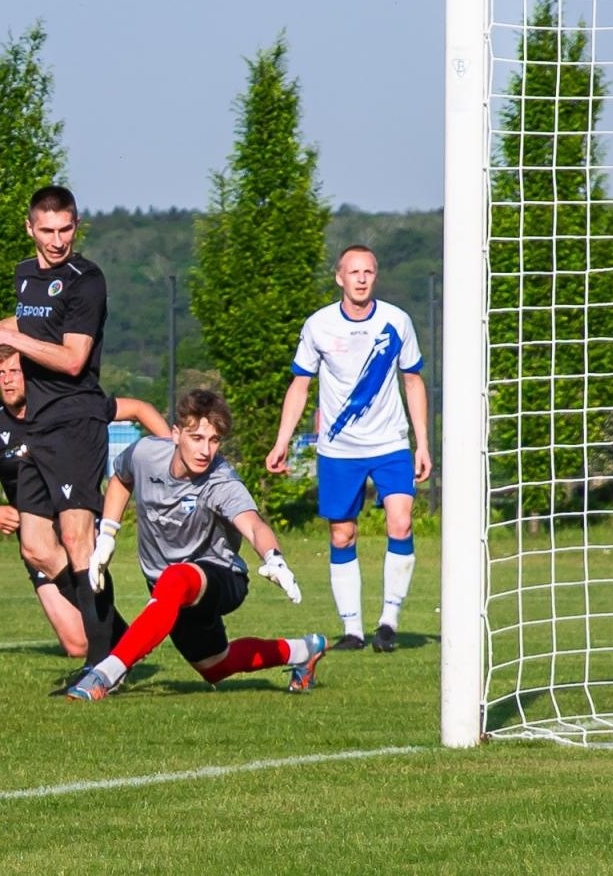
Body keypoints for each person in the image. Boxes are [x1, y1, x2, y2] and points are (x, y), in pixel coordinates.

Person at [68, 389, 326, 701]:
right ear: (176, 435)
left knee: (176, 577)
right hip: (167, 589)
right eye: (197, 437)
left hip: (220, 576)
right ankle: (304, 650)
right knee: (215, 666)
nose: (206, 450)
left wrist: (274, 558)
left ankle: (103, 675)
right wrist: (107, 534)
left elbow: (254, 525)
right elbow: (122, 479)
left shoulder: (221, 481)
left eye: (214, 440)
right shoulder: (146, 453)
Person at [0, 184, 117, 666]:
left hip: (75, 418)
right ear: (30, 228)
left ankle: (101, 665)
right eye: (46, 230)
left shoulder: (86, 279)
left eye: (64, 229)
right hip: (38, 427)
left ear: (76, 225)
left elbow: (71, 358)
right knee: (36, 545)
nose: (56, 239)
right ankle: (117, 632)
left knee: (76, 539)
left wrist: (6, 335)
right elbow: (32, 324)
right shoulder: (25, 275)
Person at [0, 344, 170, 658]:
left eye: (15, 372)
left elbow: (140, 408)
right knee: (77, 645)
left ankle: (107, 654)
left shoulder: (63, 409)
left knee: (77, 551)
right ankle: (121, 636)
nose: (7, 380)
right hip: (38, 541)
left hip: (77, 520)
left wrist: (169, 451)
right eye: (0, 374)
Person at [266, 245, 432, 652]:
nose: (361, 278)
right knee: (342, 535)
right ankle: (353, 631)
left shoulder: (397, 321)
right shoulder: (319, 325)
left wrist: (422, 443)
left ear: (375, 277)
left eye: (368, 272)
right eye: (353, 271)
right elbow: (300, 385)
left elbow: (412, 381)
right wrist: (282, 441)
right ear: (339, 277)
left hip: (391, 442)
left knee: (401, 522)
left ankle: (388, 623)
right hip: (339, 449)